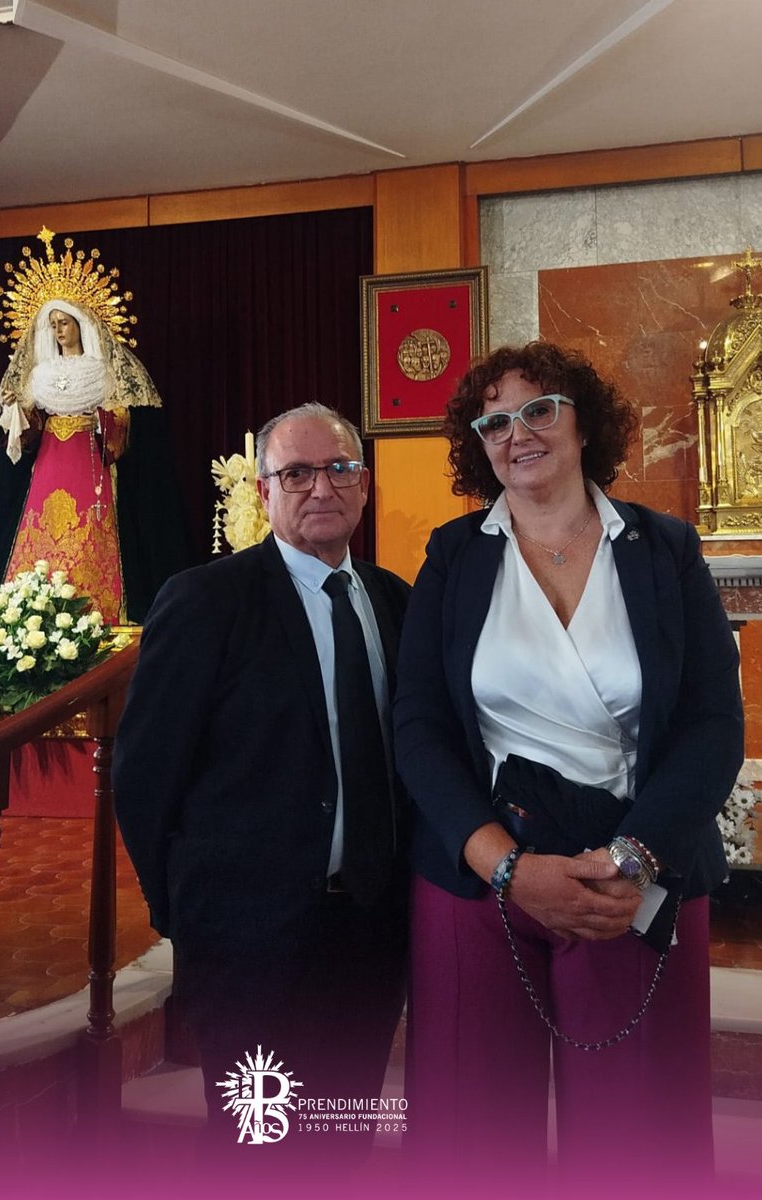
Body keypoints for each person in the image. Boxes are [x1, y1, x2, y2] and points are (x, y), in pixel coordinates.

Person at [393, 342, 743, 1193]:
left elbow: (711, 727)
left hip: (632, 866)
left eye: (540, 409)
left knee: (638, 1135)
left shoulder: (665, 551)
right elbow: (419, 726)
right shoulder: (453, 556)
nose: (519, 433)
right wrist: (501, 864)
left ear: (585, 423)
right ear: (478, 444)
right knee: (473, 1135)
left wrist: (631, 859)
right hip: (481, 870)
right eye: (496, 421)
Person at [113, 403, 410, 1171]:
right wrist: (190, 913)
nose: (321, 488)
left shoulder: (394, 602)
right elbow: (145, 777)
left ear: (365, 484)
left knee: (341, 1141)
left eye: (339, 469)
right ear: (265, 489)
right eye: (297, 473)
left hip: (371, 933)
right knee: (259, 1148)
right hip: (248, 941)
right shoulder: (206, 600)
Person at [0, 298, 163, 623]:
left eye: (65, 322)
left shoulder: (101, 371)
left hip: (87, 458)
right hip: (50, 459)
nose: (58, 330)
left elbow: (123, 419)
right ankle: (32, 614)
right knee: (41, 523)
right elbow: (29, 429)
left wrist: (100, 421)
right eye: (53, 323)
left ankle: (94, 606)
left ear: (80, 325)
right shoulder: (41, 375)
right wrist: (15, 411)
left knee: (88, 527)